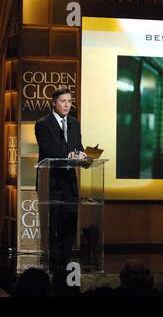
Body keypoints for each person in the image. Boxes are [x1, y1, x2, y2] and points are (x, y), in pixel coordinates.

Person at [35, 88, 87, 268]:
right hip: (51, 180)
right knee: (52, 221)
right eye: (63, 101)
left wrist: (82, 155)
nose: (67, 105)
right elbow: (48, 150)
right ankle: (52, 262)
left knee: (70, 219)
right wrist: (70, 155)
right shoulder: (43, 124)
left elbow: (78, 146)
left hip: (69, 181)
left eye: (69, 102)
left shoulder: (74, 123)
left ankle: (65, 259)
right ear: (54, 103)